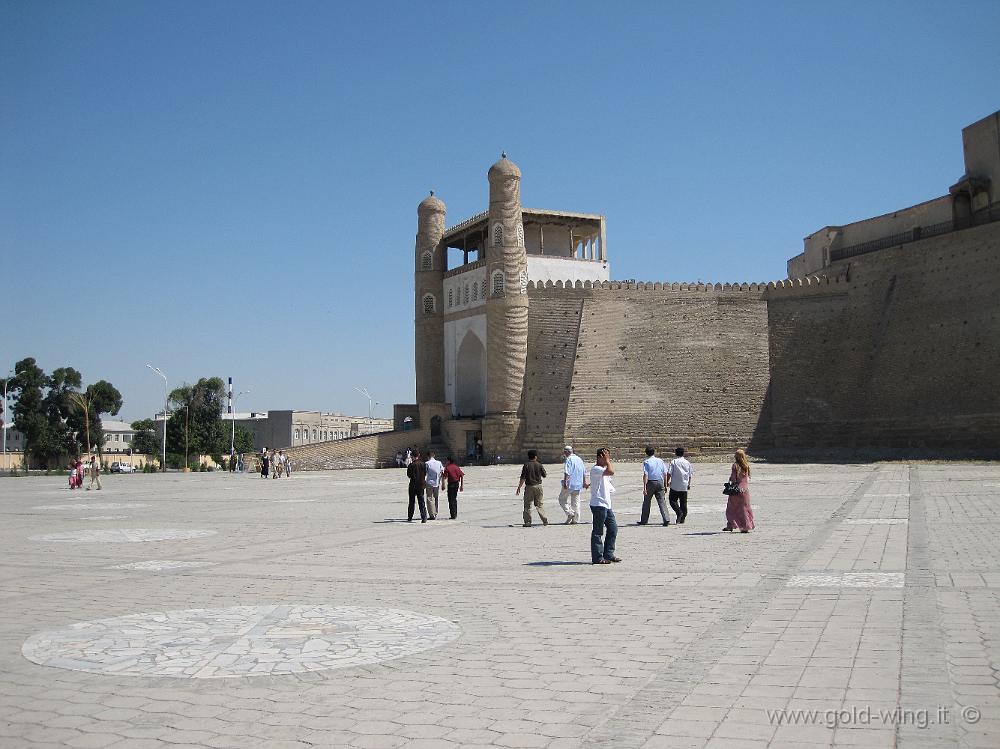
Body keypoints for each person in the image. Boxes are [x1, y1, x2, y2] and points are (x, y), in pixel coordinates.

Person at [590, 448, 621, 564]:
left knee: (613, 529)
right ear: (599, 457)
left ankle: (608, 554)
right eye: (605, 456)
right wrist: (607, 461)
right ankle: (597, 557)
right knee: (598, 531)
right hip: (598, 504)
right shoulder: (596, 469)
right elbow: (611, 471)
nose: (608, 459)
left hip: (606, 504)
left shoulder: (602, 470)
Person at [724, 449, 755, 533]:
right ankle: (746, 526)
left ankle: (731, 525)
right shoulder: (746, 466)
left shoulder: (735, 466)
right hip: (745, 490)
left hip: (736, 490)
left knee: (731, 508)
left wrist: (730, 481)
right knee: (744, 508)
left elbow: (733, 478)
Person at [515, 450, 548, 527]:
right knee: (539, 504)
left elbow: (523, 478)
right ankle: (544, 519)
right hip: (539, 486)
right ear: (535, 456)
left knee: (527, 505)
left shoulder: (526, 465)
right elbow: (544, 475)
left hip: (529, 487)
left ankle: (528, 522)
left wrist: (519, 487)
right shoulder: (539, 465)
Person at [638, 446, 669, 525]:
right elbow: (665, 473)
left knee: (647, 502)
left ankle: (644, 520)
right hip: (660, 481)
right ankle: (666, 518)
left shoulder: (647, 462)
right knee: (662, 501)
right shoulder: (660, 461)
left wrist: (644, 487)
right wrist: (665, 485)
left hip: (651, 482)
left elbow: (646, 474)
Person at [557, 445, 588, 524]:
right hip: (578, 483)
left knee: (562, 499)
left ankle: (570, 513)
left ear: (567, 452)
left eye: (564, 452)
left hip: (570, 483)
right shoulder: (579, 459)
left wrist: (565, 482)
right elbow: (584, 472)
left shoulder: (569, 459)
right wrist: (584, 482)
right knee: (576, 501)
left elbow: (567, 472)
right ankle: (576, 519)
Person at [666, 446, 694, 524]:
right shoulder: (687, 462)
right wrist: (689, 484)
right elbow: (690, 475)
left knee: (672, 501)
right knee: (683, 503)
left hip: (675, 485)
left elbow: (669, 473)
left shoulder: (674, 462)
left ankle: (679, 512)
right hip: (684, 484)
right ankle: (682, 518)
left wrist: (667, 482)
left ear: (676, 453)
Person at [406, 451, 428, 522]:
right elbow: (425, 473)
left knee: (411, 502)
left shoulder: (411, 465)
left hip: (413, 485)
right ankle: (424, 517)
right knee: (421, 501)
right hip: (421, 485)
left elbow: (409, 475)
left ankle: (410, 517)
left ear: (412, 456)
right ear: (418, 455)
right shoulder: (423, 464)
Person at [424, 450, 443, 520]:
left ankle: (432, 514)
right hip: (437, 482)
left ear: (428, 456)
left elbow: (425, 473)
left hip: (429, 482)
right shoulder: (439, 462)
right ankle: (435, 512)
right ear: (434, 456)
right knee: (436, 497)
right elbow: (442, 471)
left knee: (429, 498)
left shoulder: (427, 463)